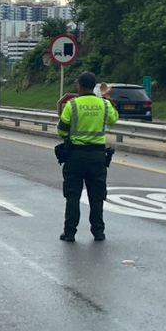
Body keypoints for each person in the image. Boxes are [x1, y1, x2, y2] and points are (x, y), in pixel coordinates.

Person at [57, 72, 119, 242]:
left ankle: (69, 232)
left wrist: (70, 136)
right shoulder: (104, 105)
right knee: (97, 196)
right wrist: (107, 100)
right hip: (98, 156)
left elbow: (61, 129)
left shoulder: (73, 105)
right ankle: (98, 232)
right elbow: (114, 119)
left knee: (72, 196)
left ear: (80, 86)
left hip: (76, 156)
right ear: (94, 87)